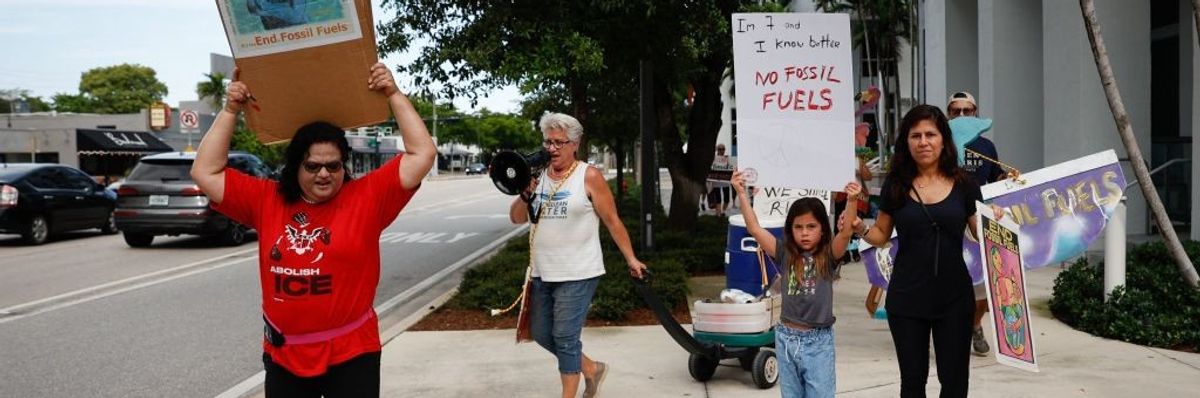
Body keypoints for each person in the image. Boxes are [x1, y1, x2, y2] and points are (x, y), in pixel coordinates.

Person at [190, 63, 435, 397]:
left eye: (333, 166)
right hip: (285, 356)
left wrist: (392, 93)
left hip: (353, 353)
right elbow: (205, 171)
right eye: (312, 166)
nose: (324, 174)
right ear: (296, 167)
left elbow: (422, 153)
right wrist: (231, 109)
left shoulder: (366, 197)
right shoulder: (267, 199)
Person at [848, 104, 1003, 397]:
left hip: (955, 298)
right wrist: (860, 227)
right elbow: (881, 235)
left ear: (943, 139)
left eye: (930, 134)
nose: (923, 142)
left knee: (955, 383)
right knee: (912, 384)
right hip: (907, 297)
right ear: (906, 142)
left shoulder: (964, 184)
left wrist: (994, 219)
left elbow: (977, 233)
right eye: (915, 135)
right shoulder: (896, 184)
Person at [508, 112, 648, 398]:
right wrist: (524, 193)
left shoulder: (589, 176)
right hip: (542, 272)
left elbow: (613, 222)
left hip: (579, 272)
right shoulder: (538, 177)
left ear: (575, 144)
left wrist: (631, 259)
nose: (552, 148)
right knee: (543, 333)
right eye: (548, 141)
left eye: (560, 142)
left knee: (565, 338)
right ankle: (592, 368)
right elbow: (515, 218)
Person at [732, 169, 861, 398]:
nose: (804, 233)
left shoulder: (829, 256)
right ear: (790, 230)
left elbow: (845, 233)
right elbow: (754, 228)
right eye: (798, 227)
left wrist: (851, 201)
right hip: (786, 339)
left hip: (818, 343)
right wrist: (741, 193)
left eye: (811, 227)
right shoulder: (784, 254)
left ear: (822, 230)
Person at [946, 90, 1005, 357]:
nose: (960, 116)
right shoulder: (938, 144)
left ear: (975, 113)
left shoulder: (987, 148)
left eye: (966, 111)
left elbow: (997, 180)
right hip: (945, 219)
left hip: (976, 218)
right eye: (954, 111)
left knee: (980, 281)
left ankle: (975, 325)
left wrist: (1011, 178)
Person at [706, 143, 734, 216]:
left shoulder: (727, 158)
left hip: (725, 182)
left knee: (727, 199)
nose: (722, 151)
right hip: (716, 183)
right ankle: (718, 214)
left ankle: (723, 211)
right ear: (717, 150)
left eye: (723, 149)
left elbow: (731, 167)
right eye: (720, 149)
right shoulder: (713, 158)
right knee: (718, 199)